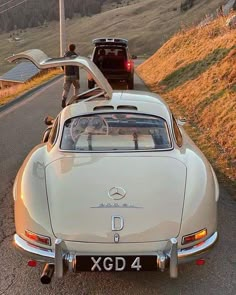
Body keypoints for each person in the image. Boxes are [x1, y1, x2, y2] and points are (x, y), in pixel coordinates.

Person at [61, 43, 80, 108]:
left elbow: (61, 63)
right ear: (74, 48)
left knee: (66, 89)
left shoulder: (65, 55)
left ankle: (63, 99)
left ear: (69, 48)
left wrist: (64, 70)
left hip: (67, 75)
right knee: (77, 88)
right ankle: (73, 102)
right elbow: (76, 67)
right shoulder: (75, 56)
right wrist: (77, 77)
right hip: (74, 75)